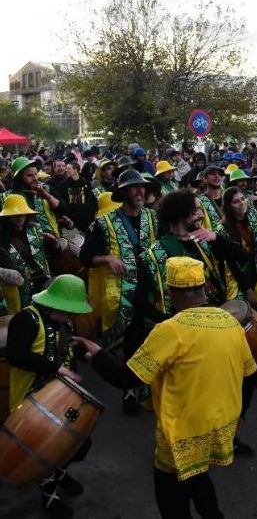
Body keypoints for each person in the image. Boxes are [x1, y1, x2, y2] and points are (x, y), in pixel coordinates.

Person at [73, 257, 257, 519]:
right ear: (204, 287)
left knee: (171, 497)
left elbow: (128, 377)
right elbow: (249, 373)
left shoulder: (170, 330)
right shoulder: (229, 321)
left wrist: (99, 355)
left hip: (182, 432)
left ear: (170, 292)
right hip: (221, 423)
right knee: (198, 475)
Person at [7, 275, 93, 518]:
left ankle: (60, 473)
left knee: (76, 443)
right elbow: (16, 356)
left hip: (61, 395)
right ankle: (49, 494)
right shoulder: (26, 320)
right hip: (32, 398)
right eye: (69, 312)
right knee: (44, 449)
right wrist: (56, 368)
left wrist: (87, 355)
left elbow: (65, 349)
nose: (72, 317)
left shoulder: (63, 322)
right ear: (54, 305)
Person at [80, 168, 158, 415]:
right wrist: (106, 258)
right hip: (124, 293)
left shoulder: (153, 218)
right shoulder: (104, 223)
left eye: (143, 187)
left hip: (153, 291)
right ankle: (130, 390)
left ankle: (153, 388)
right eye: (135, 187)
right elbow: (84, 257)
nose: (141, 191)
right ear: (124, 193)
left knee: (153, 340)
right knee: (133, 342)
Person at [144, 189, 247, 315]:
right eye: (195, 211)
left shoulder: (204, 239)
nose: (202, 215)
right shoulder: (156, 253)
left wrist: (217, 238)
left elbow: (243, 255)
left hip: (220, 312)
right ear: (179, 213)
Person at [0, 195, 54, 314]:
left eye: (23, 213)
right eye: (15, 215)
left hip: (43, 283)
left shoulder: (36, 229)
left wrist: (53, 244)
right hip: (19, 292)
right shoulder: (2, 240)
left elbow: (53, 255)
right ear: (7, 217)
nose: (20, 217)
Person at [221, 186, 257, 308]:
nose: (241, 203)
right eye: (236, 201)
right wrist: (248, 290)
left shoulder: (255, 213)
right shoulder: (223, 230)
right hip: (242, 274)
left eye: (243, 199)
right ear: (228, 206)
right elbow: (232, 265)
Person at [1, 156, 67, 238]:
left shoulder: (47, 189)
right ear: (19, 177)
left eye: (36, 174)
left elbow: (63, 208)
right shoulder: (6, 197)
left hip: (51, 242)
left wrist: (48, 197)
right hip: (23, 246)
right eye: (29, 175)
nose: (35, 178)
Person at [59, 161, 97, 233]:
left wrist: (90, 218)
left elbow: (91, 202)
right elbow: (62, 203)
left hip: (85, 219)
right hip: (70, 220)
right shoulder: (63, 185)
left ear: (75, 169)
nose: (66, 170)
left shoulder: (86, 183)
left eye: (68, 168)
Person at [196, 165, 226, 233]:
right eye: (213, 174)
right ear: (205, 179)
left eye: (219, 174)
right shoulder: (200, 201)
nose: (217, 176)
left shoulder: (228, 197)